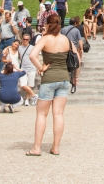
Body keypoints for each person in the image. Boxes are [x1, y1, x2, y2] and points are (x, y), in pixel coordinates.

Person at [27, 14, 78, 156]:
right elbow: (77, 57)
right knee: (59, 114)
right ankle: (55, 147)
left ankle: (37, 148)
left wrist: (41, 67)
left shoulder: (45, 39)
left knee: (42, 114)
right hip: (63, 78)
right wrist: (75, 77)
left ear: (48, 25)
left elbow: (32, 55)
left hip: (49, 79)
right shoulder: (66, 40)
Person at [61, 18, 83, 93]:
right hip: (74, 49)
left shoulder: (63, 29)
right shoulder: (76, 30)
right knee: (77, 62)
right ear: (75, 23)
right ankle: (75, 77)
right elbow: (80, 40)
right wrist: (81, 49)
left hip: (65, 48)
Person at [19, 34, 40, 106]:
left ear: (29, 40)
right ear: (22, 39)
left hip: (31, 68)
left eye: (27, 39)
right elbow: (12, 47)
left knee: (30, 85)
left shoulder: (32, 47)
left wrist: (38, 67)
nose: (25, 40)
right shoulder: (20, 48)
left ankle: (27, 99)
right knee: (23, 84)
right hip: (23, 68)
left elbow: (36, 57)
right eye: (24, 39)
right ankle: (34, 95)